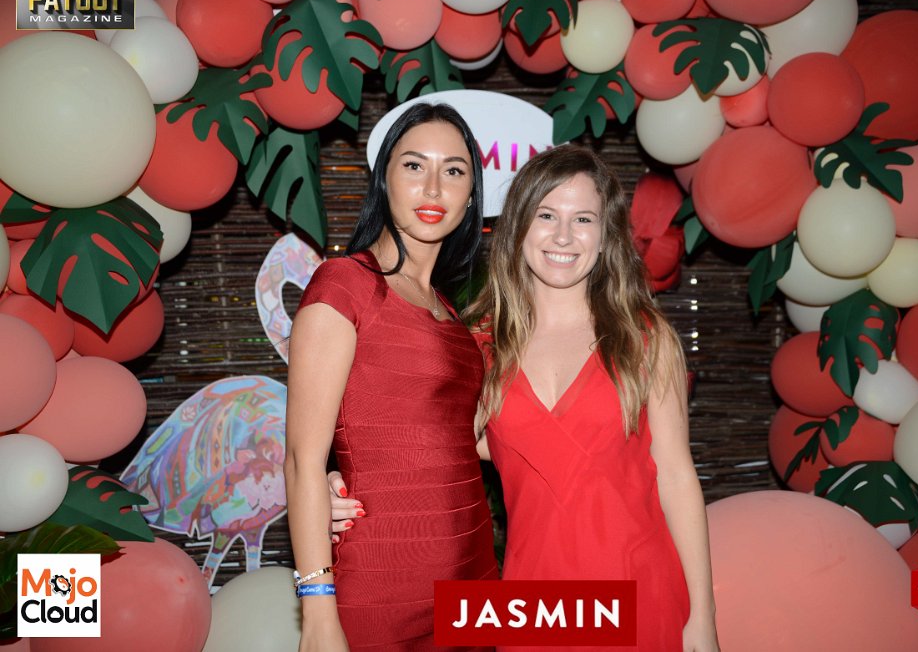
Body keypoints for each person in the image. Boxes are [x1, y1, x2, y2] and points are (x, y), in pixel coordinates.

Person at [332, 145, 720, 651]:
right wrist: (338, 487)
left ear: (606, 235)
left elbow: (677, 478)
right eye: (546, 215)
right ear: (518, 227)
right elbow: (423, 452)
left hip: (640, 592)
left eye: (583, 219)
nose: (563, 236)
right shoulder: (479, 345)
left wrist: (702, 619)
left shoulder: (644, 337)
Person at [285, 102, 498, 652]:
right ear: (384, 180)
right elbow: (303, 461)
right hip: (382, 583)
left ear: (471, 196)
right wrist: (317, 613)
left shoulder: (452, 313)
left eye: (454, 170)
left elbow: (472, 441)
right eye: (414, 165)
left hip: (473, 574)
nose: (434, 188)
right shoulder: (345, 285)